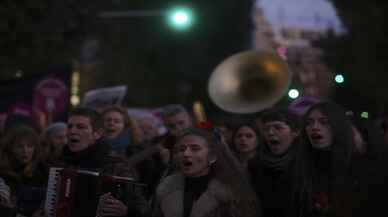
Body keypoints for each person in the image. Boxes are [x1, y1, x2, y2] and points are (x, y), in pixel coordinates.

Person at [153, 128, 261, 217]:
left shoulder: (230, 191)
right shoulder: (166, 187)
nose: (186, 153)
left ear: (212, 156)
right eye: (181, 149)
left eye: (195, 148)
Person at [60, 107, 147, 217]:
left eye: (80, 127)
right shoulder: (61, 160)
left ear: (97, 134)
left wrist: (127, 211)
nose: (72, 131)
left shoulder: (116, 165)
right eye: (69, 126)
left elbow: (143, 208)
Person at [300, 101, 359, 217]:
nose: (315, 127)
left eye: (324, 122)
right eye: (309, 122)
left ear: (338, 126)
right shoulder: (300, 165)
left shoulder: (358, 167)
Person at [248, 109, 302, 217]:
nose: (270, 132)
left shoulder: (305, 164)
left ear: (295, 132)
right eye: (266, 129)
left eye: (278, 127)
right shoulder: (255, 165)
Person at [0, 125, 48, 217]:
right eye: (19, 146)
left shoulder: (43, 170)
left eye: (29, 146)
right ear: (10, 148)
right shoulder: (3, 173)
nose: (25, 150)